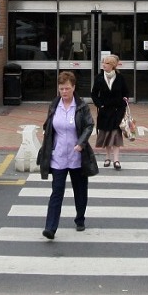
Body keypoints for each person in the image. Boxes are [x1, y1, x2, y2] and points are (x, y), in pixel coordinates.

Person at [36, 70, 94, 238]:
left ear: (73, 87)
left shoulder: (81, 106)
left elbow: (89, 125)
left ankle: (80, 219)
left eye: (67, 89)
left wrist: (81, 143)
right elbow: (48, 126)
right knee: (57, 192)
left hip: (77, 156)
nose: (64, 92)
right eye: (61, 89)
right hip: (58, 156)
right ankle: (50, 228)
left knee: (80, 191)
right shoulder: (54, 105)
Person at [89, 54, 131, 169]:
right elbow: (93, 94)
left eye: (106, 63)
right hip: (104, 111)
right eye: (103, 63)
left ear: (112, 65)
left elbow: (126, 92)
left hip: (117, 110)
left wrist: (125, 99)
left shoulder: (120, 77)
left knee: (116, 135)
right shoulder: (99, 77)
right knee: (107, 135)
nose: (104, 65)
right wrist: (100, 105)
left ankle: (116, 160)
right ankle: (107, 158)